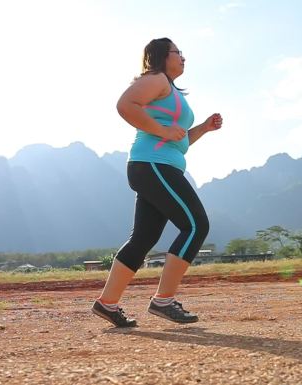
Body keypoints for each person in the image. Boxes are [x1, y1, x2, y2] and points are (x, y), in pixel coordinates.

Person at [91, 37, 223, 327]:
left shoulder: (171, 90)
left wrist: (202, 128)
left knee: (143, 239)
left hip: (157, 166)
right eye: (177, 52)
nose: (183, 56)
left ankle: (107, 303)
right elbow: (125, 105)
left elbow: (179, 140)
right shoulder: (157, 79)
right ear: (162, 56)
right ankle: (163, 300)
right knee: (196, 225)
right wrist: (162, 129)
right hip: (153, 165)